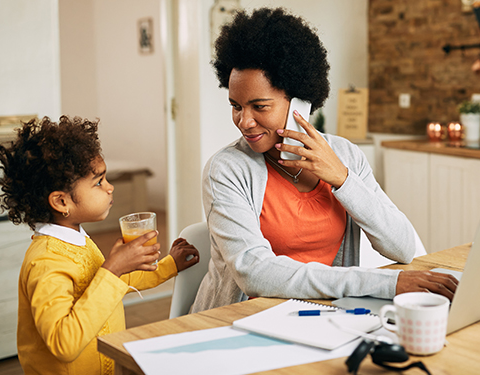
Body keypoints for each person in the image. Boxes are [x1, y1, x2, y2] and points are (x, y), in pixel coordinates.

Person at [192, 7, 457, 313]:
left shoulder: (344, 155)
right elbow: (255, 272)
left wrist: (343, 179)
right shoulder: (225, 170)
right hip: (238, 322)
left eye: (259, 106)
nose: (244, 121)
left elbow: (401, 246)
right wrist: (384, 284)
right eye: (236, 106)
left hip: (323, 318)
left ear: (300, 102)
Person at [0, 116, 199, 375]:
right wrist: (111, 269)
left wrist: (169, 265)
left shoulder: (78, 239)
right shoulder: (45, 262)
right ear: (61, 202)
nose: (110, 188)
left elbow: (112, 280)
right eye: (98, 182)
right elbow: (63, 343)